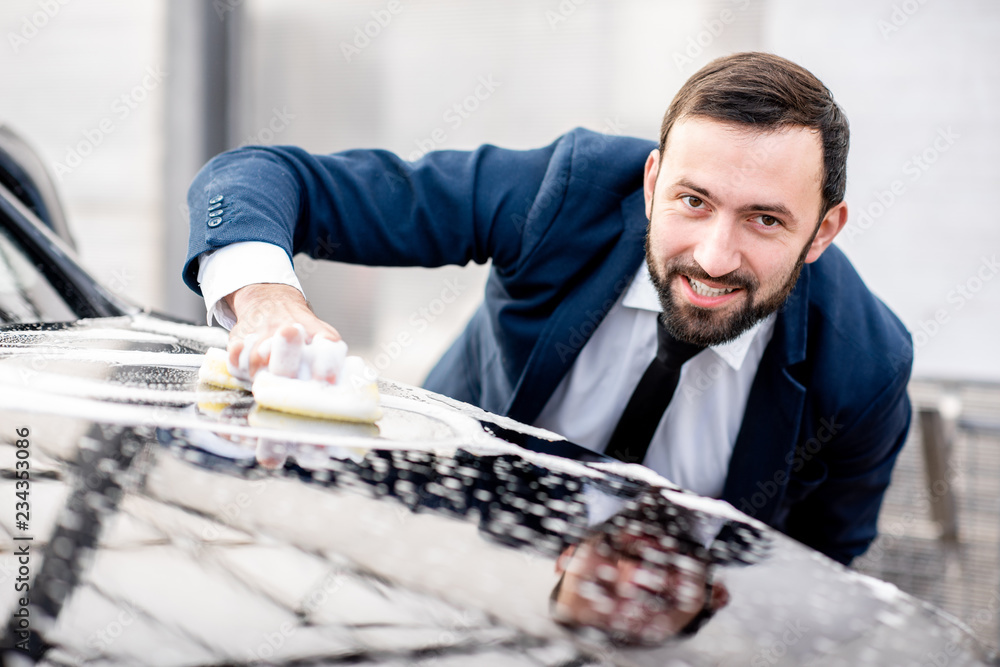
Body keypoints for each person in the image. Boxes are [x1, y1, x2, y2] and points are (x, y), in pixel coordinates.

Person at [182, 52, 913, 566]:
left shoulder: (865, 368)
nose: (716, 257)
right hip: (435, 569)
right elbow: (261, 176)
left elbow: (816, 581)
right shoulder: (565, 196)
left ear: (823, 230)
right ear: (653, 180)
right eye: (693, 201)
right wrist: (268, 300)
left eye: (765, 220)